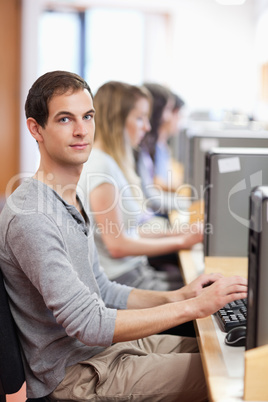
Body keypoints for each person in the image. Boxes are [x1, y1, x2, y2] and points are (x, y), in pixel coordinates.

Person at [0, 71, 247, 401]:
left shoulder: (69, 197)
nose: (81, 130)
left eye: (87, 116)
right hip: (75, 372)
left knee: (233, 356)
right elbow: (88, 323)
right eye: (64, 119)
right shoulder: (32, 216)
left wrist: (181, 296)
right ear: (36, 128)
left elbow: (101, 288)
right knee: (232, 381)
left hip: (101, 350)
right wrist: (195, 308)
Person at [78, 80, 201, 290]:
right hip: (123, 281)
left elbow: (131, 231)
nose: (148, 126)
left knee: (209, 285)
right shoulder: (101, 167)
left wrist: (180, 232)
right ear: (117, 120)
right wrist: (182, 241)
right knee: (206, 295)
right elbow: (117, 245)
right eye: (140, 118)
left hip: (135, 272)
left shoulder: (112, 161)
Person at [136, 83, 186, 215]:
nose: (169, 117)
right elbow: (151, 195)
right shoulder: (140, 150)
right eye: (168, 109)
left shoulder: (153, 147)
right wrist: (189, 203)